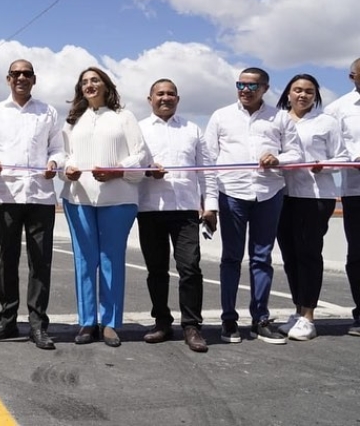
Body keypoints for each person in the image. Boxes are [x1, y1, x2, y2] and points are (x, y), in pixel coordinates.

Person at [205, 67, 302, 344]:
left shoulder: (280, 117)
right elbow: (208, 161)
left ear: (265, 89)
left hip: (269, 193)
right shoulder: (220, 116)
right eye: (241, 85)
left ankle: (260, 319)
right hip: (231, 193)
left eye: (252, 86)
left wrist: (278, 159)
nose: (245, 90)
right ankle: (228, 320)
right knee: (231, 258)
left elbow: (296, 153)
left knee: (262, 258)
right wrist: (209, 204)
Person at [0, 59, 64, 350]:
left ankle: (38, 324)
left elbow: (58, 149)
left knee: (40, 260)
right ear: (8, 79)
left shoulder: (48, 111)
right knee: (8, 258)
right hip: (7, 195)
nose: (21, 78)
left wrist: (54, 163)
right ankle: (7, 319)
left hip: (40, 195)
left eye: (27, 74)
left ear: (34, 79)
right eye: (16, 74)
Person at [61, 66, 148, 347]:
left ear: (106, 85)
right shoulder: (73, 121)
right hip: (78, 199)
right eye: (85, 81)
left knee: (111, 259)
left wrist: (117, 170)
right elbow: (64, 156)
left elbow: (141, 155)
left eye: (95, 80)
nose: (90, 85)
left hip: (118, 199)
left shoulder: (124, 117)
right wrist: (68, 169)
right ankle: (87, 321)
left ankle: (110, 322)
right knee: (84, 261)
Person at [136, 79, 216, 353]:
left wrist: (210, 206)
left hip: (186, 210)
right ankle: (162, 322)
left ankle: (191, 326)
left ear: (178, 99)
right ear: (150, 99)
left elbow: (206, 171)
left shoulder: (193, 129)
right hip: (150, 209)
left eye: (171, 94)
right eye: (160, 94)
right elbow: (130, 168)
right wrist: (147, 171)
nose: (165, 98)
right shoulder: (138, 130)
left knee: (190, 268)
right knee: (156, 270)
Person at [275, 74, 348, 341]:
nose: (303, 95)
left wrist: (323, 166)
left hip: (315, 196)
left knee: (308, 254)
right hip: (282, 195)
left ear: (315, 96)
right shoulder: (277, 119)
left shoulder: (326, 122)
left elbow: (343, 157)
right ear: (288, 93)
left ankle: (309, 316)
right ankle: (297, 312)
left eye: (309, 91)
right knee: (290, 255)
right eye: (297, 90)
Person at [324, 57, 360, 336]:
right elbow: (330, 151)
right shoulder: (337, 109)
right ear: (352, 77)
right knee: (357, 254)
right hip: (355, 190)